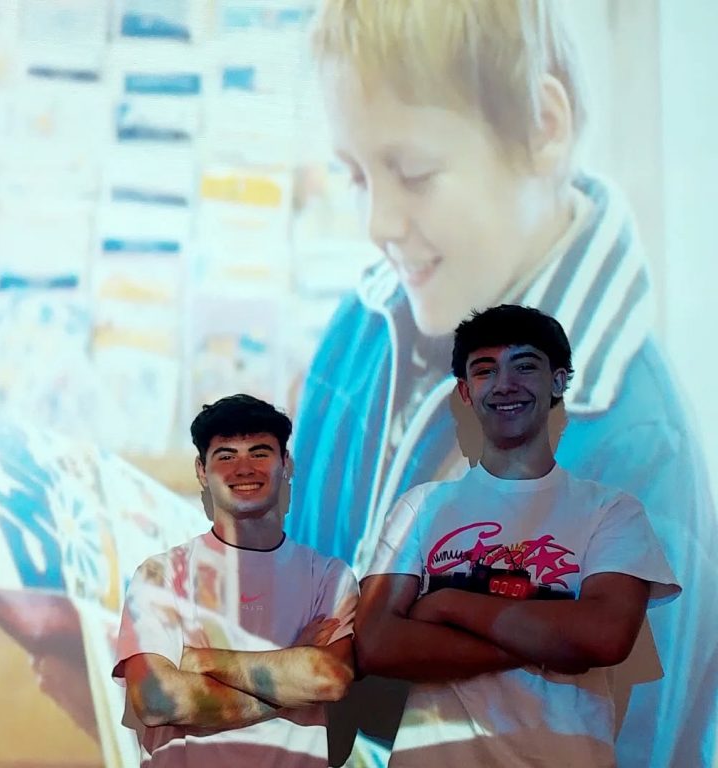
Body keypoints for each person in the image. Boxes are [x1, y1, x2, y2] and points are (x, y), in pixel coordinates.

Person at [290, 2, 718, 765]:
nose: (378, 222)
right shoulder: (359, 336)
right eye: (356, 175)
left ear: (543, 128)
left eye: (414, 174)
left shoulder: (635, 449)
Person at [353, 304, 679, 766]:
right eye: (485, 370)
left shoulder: (611, 511)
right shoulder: (419, 508)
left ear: (559, 381)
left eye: (524, 366)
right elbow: (376, 644)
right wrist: (553, 642)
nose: (504, 384)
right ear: (466, 391)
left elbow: (604, 637)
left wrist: (447, 605)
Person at [111, 394, 358, 766]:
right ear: (201, 470)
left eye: (259, 453)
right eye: (226, 456)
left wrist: (202, 660)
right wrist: (292, 667)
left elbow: (329, 679)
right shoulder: (161, 575)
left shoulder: (327, 576)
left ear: (285, 463)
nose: (244, 469)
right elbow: (158, 700)